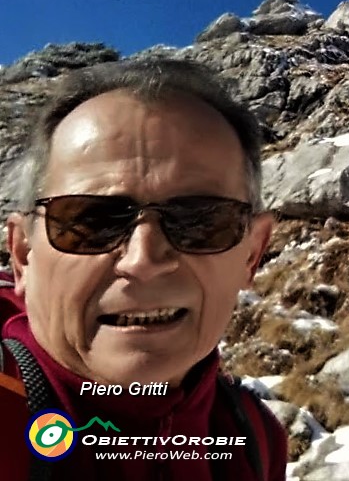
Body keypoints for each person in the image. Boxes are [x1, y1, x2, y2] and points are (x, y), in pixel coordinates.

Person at [0, 58, 288, 480]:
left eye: (200, 220)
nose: (144, 260)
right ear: (24, 255)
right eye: (91, 220)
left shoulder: (255, 438)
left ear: (252, 254)